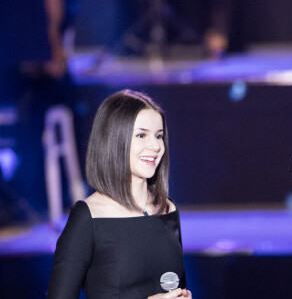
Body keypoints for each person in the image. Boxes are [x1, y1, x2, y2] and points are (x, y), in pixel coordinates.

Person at [47, 89, 192, 299]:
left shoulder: (167, 208)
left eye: (158, 136)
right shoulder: (89, 217)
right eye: (141, 135)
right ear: (114, 140)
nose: (155, 146)